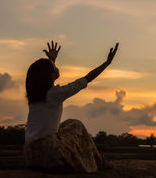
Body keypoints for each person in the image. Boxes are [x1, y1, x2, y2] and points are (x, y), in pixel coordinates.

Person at [23, 41, 119, 173]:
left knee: (69, 124)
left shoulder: (37, 95)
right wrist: (107, 63)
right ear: (50, 75)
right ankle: (98, 162)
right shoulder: (55, 94)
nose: (56, 68)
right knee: (76, 125)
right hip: (48, 151)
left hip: (31, 154)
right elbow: (86, 79)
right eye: (53, 67)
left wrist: (52, 60)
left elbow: (45, 78)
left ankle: (96, 161)